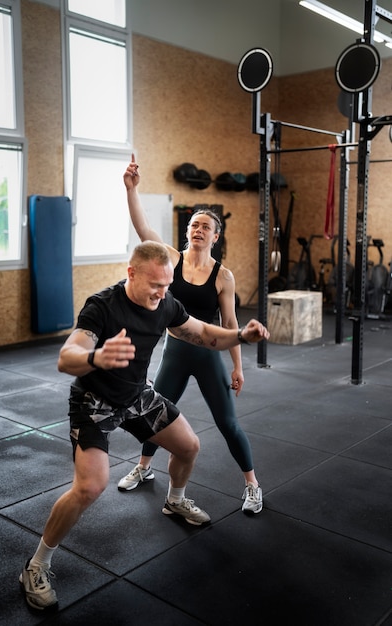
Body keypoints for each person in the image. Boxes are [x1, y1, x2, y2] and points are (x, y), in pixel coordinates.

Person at [19, 240, 269, 611]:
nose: (161, 293)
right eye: (155, 285)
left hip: (137, 396)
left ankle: (175, 501)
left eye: (167, 285)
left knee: (189, 446)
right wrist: (96, 356)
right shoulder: (102, 306)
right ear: (131, 273)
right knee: (91, 486)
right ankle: (36, 565)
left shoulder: (166, 303)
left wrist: (240, 337)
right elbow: (66, 358)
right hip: (94, 403)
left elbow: (204, 333)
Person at [118, 156, 263, 515]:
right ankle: (144, 467)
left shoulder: (223, 276)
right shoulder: (171, 259)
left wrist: (238, 367)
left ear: (216, 235)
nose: (198, 230)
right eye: (194, 225)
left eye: (205, 227)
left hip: (207, 354)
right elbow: (144, 230)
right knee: (156, 416)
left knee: (227, 422)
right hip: (175, 352)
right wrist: (131, 189)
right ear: (188, 231)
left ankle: (252, 485)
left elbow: (230, 324)